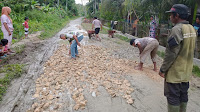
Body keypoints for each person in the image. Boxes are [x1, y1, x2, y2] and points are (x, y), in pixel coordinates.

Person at [159, 4, 196, 112]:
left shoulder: (177, 29)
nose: (170, 17)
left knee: (173, 97)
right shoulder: (192, 29)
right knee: (183, 95)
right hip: (186, 72)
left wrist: (163, 69)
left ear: (177, 15)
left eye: (171, 15)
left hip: (175, 73)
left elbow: (171, 54)